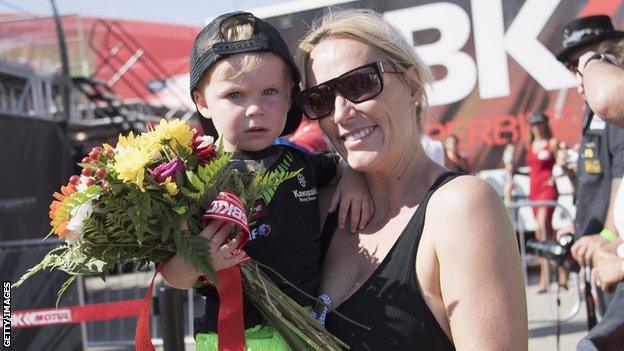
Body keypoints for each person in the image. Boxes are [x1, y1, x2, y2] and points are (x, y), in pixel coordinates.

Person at [297, 9, 528, 350]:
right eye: (321, 99)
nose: (341, 113)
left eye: (360, 83)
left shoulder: (461, 209)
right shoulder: (323, 208)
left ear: (413, 86)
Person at [160, 11, 372, 350]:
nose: (255, 108)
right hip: (228, 337)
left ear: (290, 97)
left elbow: (350, 165)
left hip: (304, 328)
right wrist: (197, 261)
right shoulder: (192, 175)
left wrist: (354, 176)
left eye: (270, 91)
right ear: (202, 101)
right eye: (235, 95)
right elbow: (172, 275)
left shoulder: (302, 162)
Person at [563, 18, 624, 351]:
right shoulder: (591, 111)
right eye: (574, 66)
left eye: (584, 61)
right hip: (598, 244)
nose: (579, 74)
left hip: (610, 245)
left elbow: (621, 170)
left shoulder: (611, 104)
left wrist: (610, 236)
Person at [524, 112, 564, 292]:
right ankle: (560, 271)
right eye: (534, 124)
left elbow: (564, 162)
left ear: (545, 125)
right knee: (546, 233)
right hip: (535, 190)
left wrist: (556, 175)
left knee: (541, 229)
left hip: (548, 190)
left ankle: (547, 277)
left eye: (540, 123)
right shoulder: (530, 145)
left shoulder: (553, 143)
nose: (537, 127)